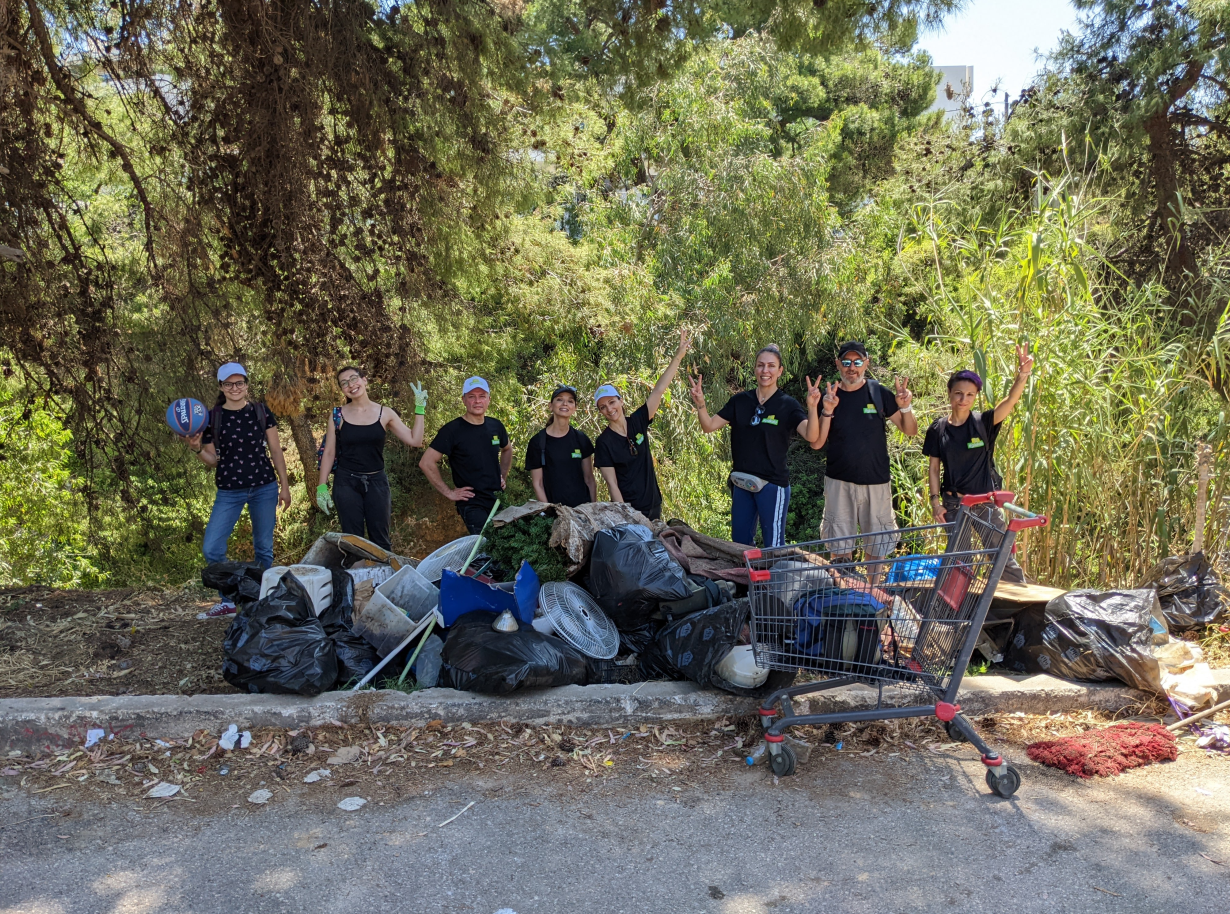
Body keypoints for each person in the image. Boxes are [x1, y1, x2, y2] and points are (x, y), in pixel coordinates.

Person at [184, 362, 292, 618]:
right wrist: (196, 448)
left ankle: (261, 598)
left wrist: (284, 486)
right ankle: (228, 600)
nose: (235, 388)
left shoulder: (261, 411)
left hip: (264, 487)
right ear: (221, 386)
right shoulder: (212, 418)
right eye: (229, 384)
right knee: (212, 548)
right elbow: (212, 461)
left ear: (246, 385)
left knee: (263, 547)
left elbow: (275, 451)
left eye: (239, 383)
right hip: (230, 491)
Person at [689, 345, 822, 547]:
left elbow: (812, 436)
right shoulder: (740, 401)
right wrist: (700, 403)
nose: (765, 371)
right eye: (760, 365)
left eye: (771, 366)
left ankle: (772, 579)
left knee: (774, 545)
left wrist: (812, 407)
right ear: (754, 369)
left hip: (772, 484)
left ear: (780, 371)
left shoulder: (788, 404)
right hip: (742, 482)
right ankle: (745, 579)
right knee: (740, 544)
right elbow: (709, 426)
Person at [922, 345, 1034, 582]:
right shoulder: (937, 428)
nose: (964, 399)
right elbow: (934, 468)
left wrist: (1022, 375)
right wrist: (935, 502)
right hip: (953, 504)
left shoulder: (984, 422)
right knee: (960, 561)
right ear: (950, 393)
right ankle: (962, 612)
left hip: (984, 503)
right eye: (959, 393)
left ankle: (1020, 608)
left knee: (1000, 556)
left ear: (975, 397)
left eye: (970, 394)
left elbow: (1011, 400)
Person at [811, 341, 918, 563]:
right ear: (838, 364)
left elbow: (910, 430)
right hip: (839, 482)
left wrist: (906, 406)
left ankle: (874, 596)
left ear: (866, 363)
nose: (852, 367)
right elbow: (817, 443)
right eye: (847, 362)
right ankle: (843, 594)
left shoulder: (879, 393)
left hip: (876, 482)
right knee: (839, 548)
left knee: (877, 549)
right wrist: (825, 409)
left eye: (858, 361)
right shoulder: (829, 396)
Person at [314, 367, 427, 550]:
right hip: (346, 483)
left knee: (381, 541)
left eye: (353, 379)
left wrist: (419, 408)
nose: (351, 385)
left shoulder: (386, 413)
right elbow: (329, 452)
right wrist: (322, 486)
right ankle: (357, 577)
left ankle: (382, 578)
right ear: (342, 390)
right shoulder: (337, 415)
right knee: (353, 541)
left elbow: (415, 440)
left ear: (364, 380)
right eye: (344, 383)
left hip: (376, 483)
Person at [593, 329, 690, 520]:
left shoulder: (638, 421)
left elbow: (659, 389)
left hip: (653, 504)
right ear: (601, 412)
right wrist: (626, 516)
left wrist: (678, 356)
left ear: (621, 401)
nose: (609, 409)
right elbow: (612, 484)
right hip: (630, 511)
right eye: (603, 407)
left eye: (612, 402)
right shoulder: (604, 442)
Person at [420, 377, 513, 535]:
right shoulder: (452, 430)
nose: (477, 401)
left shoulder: (496, 426)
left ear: (489, 399)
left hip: (497, 499)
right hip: (471, 502)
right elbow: (426, 462)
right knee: (484, 545)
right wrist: (449, 492)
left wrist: (502, 476)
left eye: (482, 396)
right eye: (471, 396)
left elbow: (507, 449)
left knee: (506, 544)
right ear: (464, 400)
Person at [526, 385, 597, 507]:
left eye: (570, 401)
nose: (565, 403)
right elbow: (538, 484)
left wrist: (593, 508)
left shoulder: (581, 439)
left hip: (582, 511)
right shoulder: (538, 442)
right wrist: (550, 512)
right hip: (555, 513)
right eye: (559, 399)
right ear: (550, 406)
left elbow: (589, 479)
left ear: (574, 408)